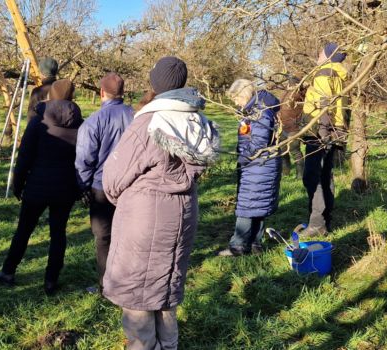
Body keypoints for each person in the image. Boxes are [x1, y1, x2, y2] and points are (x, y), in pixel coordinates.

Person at [103, 57, 220, 349]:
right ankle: (169, 345)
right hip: (183, 213)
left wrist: (127, 202)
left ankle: (142, 345)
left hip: (143, 219)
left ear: (156, 83)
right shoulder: (197, 121)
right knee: (166, 286)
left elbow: (114, 177)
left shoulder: (150, 122)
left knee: (138, 292)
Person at [0, 79, 83, 296]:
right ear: (72, 97)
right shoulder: (81, 124)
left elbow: (25, 156)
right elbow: (84, 157)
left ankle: (8, 271)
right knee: (58, 233)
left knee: (24, 229)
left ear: (50, 95)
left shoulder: (38, 122)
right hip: (65, 187)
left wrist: (18, 183)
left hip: (37, 186)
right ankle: (51, 280)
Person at [74, 72, 134, 294]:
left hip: (101, 187)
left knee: (103, 237)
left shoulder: (93, 122)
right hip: (130, 186)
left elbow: (84, 159)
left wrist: (83, 187)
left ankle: (106, 285)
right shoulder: (137, 117)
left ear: (101, 92)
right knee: (129, 235)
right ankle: (130, 282)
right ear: (123, 93)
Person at [218, 79, 282, 257]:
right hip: (261, 165)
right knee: (257, 204)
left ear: (243, 94)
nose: (236, 103)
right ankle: (254, 243)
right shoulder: (258, 108)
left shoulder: (259, 111)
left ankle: (238, 246)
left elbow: (259, 141)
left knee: (247, 206)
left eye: (236, 98)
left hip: (258, 164)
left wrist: (244, 156)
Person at [300, 42, 348, 237]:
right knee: (325, 175)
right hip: (334, 130)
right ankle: (325, 220)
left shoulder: (323, 73)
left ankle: (317, 224)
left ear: (328, 56)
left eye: (321, 52)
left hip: (320, 132)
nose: (318, 54)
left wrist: (322, 133)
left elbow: (324, 104)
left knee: (312, 176)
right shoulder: (338, 74)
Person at [278, 77, 306, 179]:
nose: (290, 86)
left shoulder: (300, 94)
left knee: (295, 151)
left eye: (292, 84)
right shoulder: (285, 93)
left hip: (294, 128)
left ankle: (300, 174)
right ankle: (285, 171)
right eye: (289, 84)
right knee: (282, 150)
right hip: (283, 127)